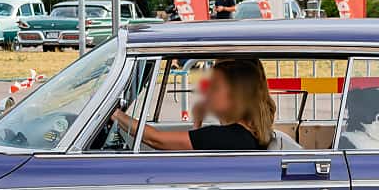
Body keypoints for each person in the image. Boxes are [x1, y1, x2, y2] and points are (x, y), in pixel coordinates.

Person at [111, 57, 275, 151]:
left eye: (215, 87)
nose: (207, 92)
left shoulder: (226, 137)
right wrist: (198, 123)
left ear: (236, 96)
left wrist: (116, 114)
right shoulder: (247, 134)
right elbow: (198, 146)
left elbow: (156, 140)